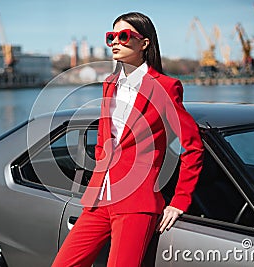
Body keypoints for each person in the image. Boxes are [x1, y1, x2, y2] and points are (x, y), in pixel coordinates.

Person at [52, 12, 204, 266]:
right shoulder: (110, 84)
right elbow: (104, 140)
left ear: (144, 43)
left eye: (123, 36)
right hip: (100, 198)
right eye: (111, 36)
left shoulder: (165, 87)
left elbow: (193, 146)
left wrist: (179, 200)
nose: (115, 42)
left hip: (136, 203)